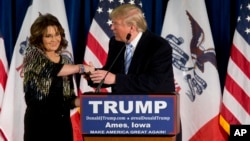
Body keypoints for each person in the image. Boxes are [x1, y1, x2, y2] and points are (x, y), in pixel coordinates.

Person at [22, 13, 94, 141]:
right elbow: (51, 70)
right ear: (39, 38)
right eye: (48, 36)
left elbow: (69, 98)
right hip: (39, 124)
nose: (55, 39)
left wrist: (83, 102)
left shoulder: (66, 60)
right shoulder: (31, 54)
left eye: (57, 34)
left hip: (62, 125)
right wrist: (80, 68)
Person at [88, 4, 175, 93]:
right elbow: (111, 73)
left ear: (132, 28)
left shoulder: (159, 46)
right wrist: (91, 74)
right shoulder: (116, 43)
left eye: (115, 23)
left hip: (154, 103)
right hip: (122, 103)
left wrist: (116, 79)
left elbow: (154, 82)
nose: (112, 27)